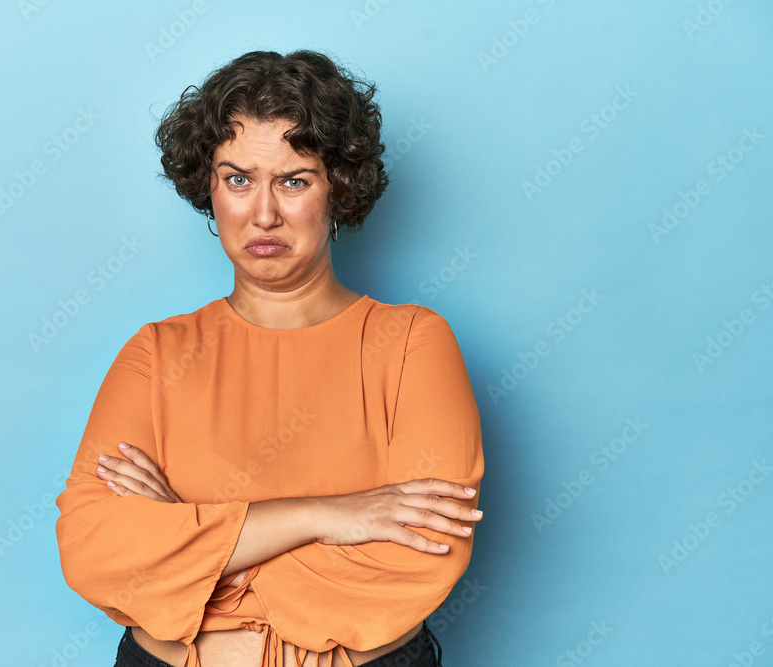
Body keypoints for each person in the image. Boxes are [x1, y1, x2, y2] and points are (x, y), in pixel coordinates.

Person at [54, 49, 485, 667]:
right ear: (208, 188)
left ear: (338, 186)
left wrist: (188, 536)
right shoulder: (155, 353)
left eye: (293, 180)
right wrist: (329, 515)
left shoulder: (413, 342)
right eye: (238, 178)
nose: (263, 212)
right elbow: (95, 550)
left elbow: (422, 550)